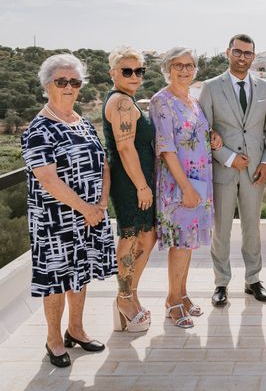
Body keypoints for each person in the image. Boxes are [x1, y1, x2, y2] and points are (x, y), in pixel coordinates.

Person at [21, 54, 116, 367]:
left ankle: (76, 329)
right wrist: (85, 208)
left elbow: (103, 163)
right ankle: (54, 339)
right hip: (54, 220)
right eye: (62, 81)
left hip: (90, 214)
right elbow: (47, 178)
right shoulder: (39, 129)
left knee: (81, 274)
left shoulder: (82, 122)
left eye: (75, 82)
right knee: (56, 280)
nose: (69, 87)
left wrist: (101, 204)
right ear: (48, 85)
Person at [199, 34, 266, 307]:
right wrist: (229, 158)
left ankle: (253, 280)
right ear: (227, 53)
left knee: (252, 228)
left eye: (247, 53)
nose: (242, 57)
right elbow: (203, 132)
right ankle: (221, 283)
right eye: (237, 51)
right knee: (221, 230)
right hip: (224, 171)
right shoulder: (210, 88)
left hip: (256, 172)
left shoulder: (265, 89)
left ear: (253, 57)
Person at [149, 47, 218, 328]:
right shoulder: (161, 101)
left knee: (188, 244)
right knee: (179, 243)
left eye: (189, 65)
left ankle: (183, 294)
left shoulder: (192, 99)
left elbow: (197, 132)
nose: (185, 70)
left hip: (200, 182)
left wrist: (213, 137)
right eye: (178, 65)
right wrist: (186, 188)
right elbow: (166, 148)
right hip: (179, 185)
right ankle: (172, 301)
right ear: (167, 68)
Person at [102, 46, 156, 333]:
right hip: (130, 183)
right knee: (131, 237)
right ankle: (124, 299)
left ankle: (129, 294)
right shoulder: (121, 103)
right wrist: (142, 186)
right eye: (127, 70)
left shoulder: (127, 100)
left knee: (146, 236)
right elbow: (124, 147)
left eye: (139, 70)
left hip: (137, 180)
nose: (134, 75)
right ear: (113, 73)